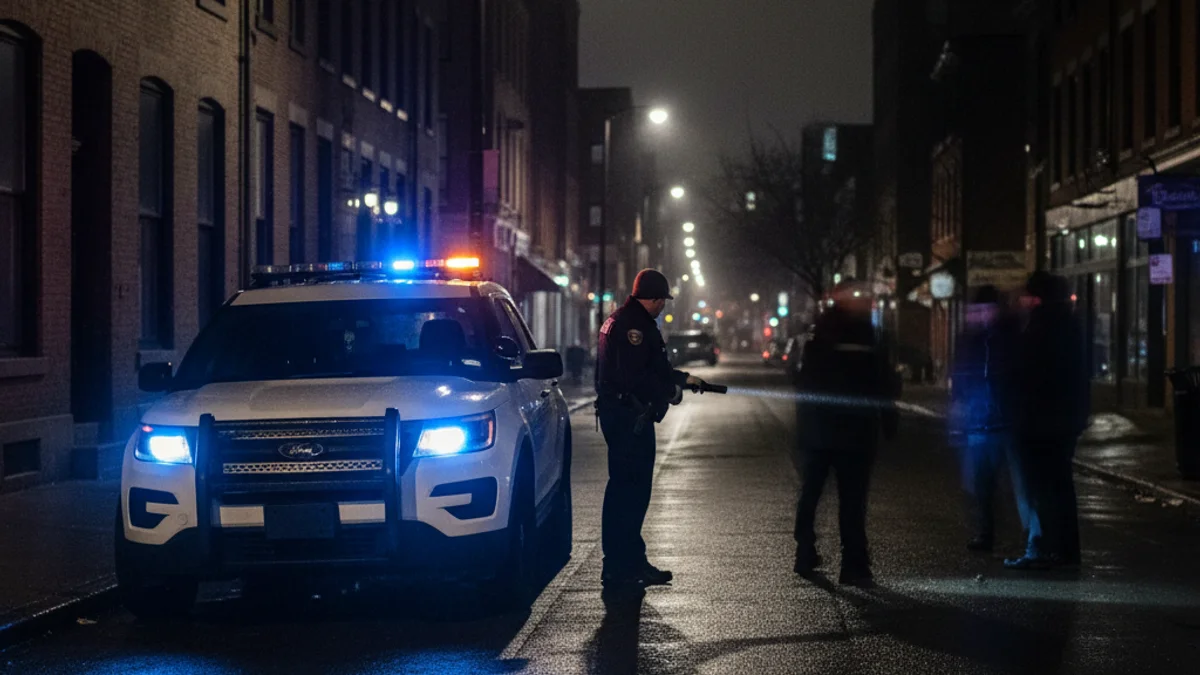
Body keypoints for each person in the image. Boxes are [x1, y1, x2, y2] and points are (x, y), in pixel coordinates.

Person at [595, 269, 705, 589]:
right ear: (654, 299)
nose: (664, 308)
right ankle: (623, 566)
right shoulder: (635, 327)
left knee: (623, 493)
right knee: (631, 494)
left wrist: (683, 379)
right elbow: (636, 377)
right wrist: (668, 392)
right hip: (631, 420)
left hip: (622, 416)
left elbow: (653, 368)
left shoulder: (622, 319)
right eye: (663, 302)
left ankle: (625, 562)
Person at [793, 280, 899, 586]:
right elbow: (882, 379)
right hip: (854, 430)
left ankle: (807, 549)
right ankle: (852, 562)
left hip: (822, 429)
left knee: (813, 491)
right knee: (851, 498)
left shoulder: (820, 331)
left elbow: (803, 380)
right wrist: (887, 415)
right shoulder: (867, 334)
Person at [1005, 271, 1089, 570]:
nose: (1023, 300)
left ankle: (1047, 550)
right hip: (1062, 420)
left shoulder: (1042, 327)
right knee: (1060, 486)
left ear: (1038, 297)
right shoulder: (1068, 324)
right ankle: (1064, 551)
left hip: (1040, 422)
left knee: (1043, 487)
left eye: (1028, 295)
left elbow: (1030, 376)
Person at [949, 285, 1027, 552]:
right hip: (980, 418)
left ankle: (1029, 537)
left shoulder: (1011, 335)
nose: (981, 316)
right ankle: (986, 531)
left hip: (1007, 417)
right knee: (982, 479)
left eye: (986, 310)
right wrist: (959, 403)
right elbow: (960, 371)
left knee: (1019, 481)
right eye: (977, 311)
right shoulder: (970, 339)